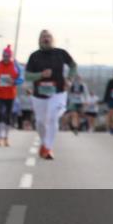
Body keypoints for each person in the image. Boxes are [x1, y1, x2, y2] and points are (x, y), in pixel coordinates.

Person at [24, 29, 77, 160]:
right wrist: (40, 75)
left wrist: (70, 79)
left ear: (53, 39)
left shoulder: (61, 53)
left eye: (48, 37)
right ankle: (44, 143)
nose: (46, 39)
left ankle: (48, 147)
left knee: (52, 117)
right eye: (43, 37)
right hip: (39, 94)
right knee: (41, 122)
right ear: (39, 40)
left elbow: (73, 66)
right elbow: (27, 75)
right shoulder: (34, 56)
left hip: (58, 92)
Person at [0, 45, 23, 147]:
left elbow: (21, 78)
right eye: (4, 55)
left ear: (10, 56)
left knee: (7, 115)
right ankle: (0, 137)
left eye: (7, 56)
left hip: (10, 94)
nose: (5, 57)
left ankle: (6, 137)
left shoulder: (15, 66)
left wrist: (14, 81)